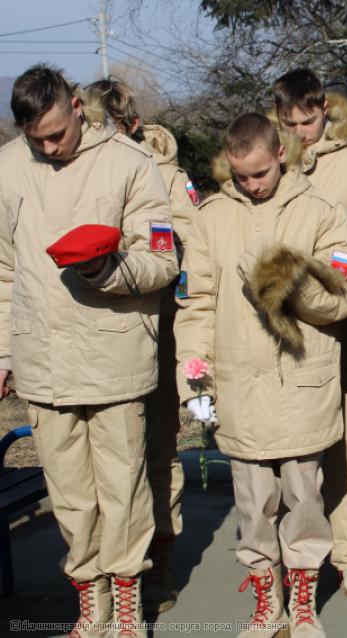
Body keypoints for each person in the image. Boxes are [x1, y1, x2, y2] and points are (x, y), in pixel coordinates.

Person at [0, 65, 179, 637]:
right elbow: (4, 272)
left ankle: (126, 607)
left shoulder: (131, 163)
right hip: (42, 360)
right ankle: (91, 606)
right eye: (37, 139)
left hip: (114, 357)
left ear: (76, 105)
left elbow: (163, 260)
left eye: (56, 134)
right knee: (71, 495)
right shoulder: (7, 168)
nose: (49, 148)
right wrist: (3, 353)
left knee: (123, 489)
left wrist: (107, 269)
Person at [174, 113, 347, 638]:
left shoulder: (322, 211)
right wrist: (195, 378)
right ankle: (266, 604)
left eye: (260, 173)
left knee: (305, 501)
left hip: (300, 381)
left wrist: (281, 282)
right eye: (240, 176)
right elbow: (196, 303)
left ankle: (302, 604)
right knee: (253, 505)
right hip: (239, 385)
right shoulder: (210, 217)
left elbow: (342, 299)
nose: (251, 184)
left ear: (281, 153)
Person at [82, 76, 201, 614]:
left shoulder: (168, 177)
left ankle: (159, 560)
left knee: (154, 454)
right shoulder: (76, 171)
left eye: (102, 126)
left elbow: (190, 248)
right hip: (92, 337)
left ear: (130, 124)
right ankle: (103, 570)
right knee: (99, 464)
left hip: (156, 331)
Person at [272, 68, 347, 598]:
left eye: (308, 121)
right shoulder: (267, 161)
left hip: (341, 327)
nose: (300, 133)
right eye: (289, 123)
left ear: (325, 112)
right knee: (289, 453)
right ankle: (292, 555)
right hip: (282, 332)